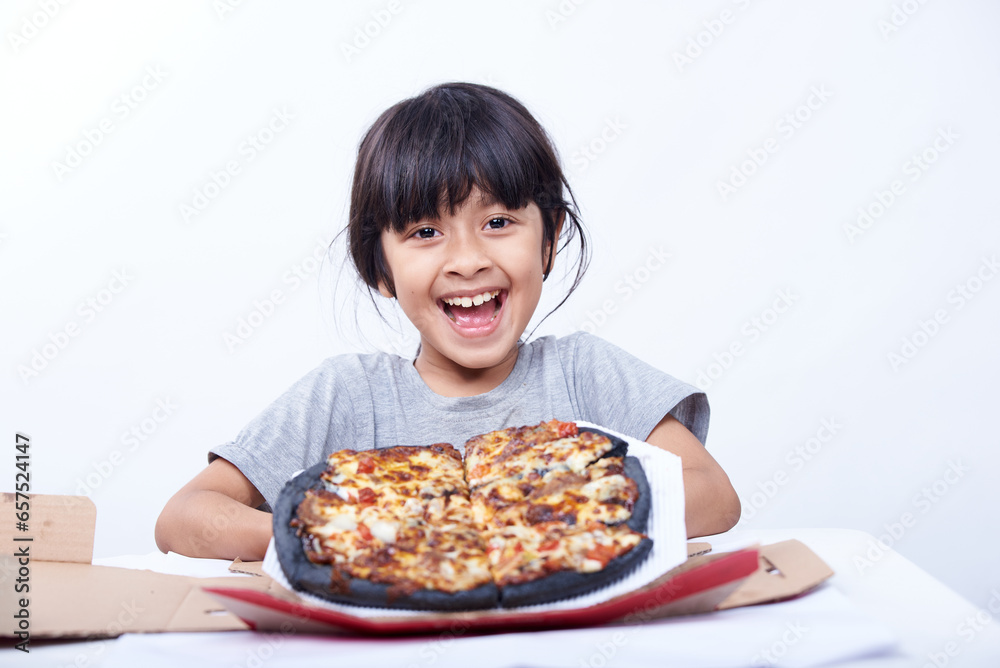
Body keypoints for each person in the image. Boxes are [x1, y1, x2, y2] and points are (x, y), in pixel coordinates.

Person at [154, 82, 740, 560]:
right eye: (425, 232)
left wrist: (525, 520)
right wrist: (351, 536)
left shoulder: (584, 373)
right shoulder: (349, 396)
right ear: (379, 268)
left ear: (549, 241)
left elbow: (713, 497)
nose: (467, 260)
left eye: (499, 222)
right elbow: (184, 519)